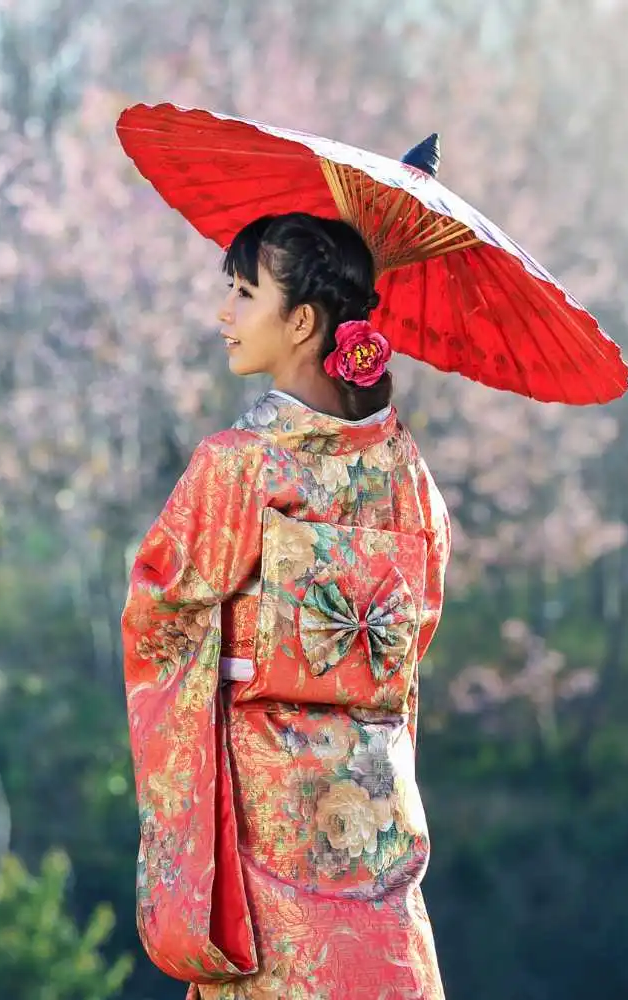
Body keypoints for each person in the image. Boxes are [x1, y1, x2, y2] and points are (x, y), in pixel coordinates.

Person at [121, 212, 451, 999]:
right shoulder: (403, 471)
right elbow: (416, 623)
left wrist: (237, 654)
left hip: (269, 808)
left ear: (302, 321)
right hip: (371, 808)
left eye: (243, 293)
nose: (223, 314)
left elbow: (158, 614)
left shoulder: (240, 466)